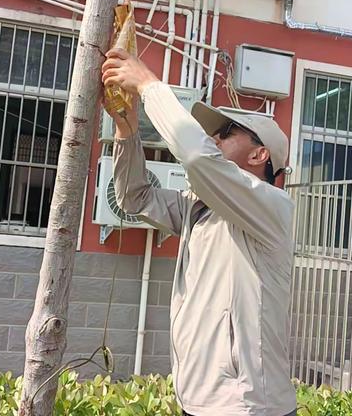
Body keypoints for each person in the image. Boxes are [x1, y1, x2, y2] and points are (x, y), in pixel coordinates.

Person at [102, 48, 297, 416]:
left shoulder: (272, 207)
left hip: (245, 406)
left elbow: (195, 157)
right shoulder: (201, 206)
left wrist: (148, 85)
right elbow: (134, 197)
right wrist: (127, 130)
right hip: (198, 400)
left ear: (259, 156)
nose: (215, 139)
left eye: (225, 133)